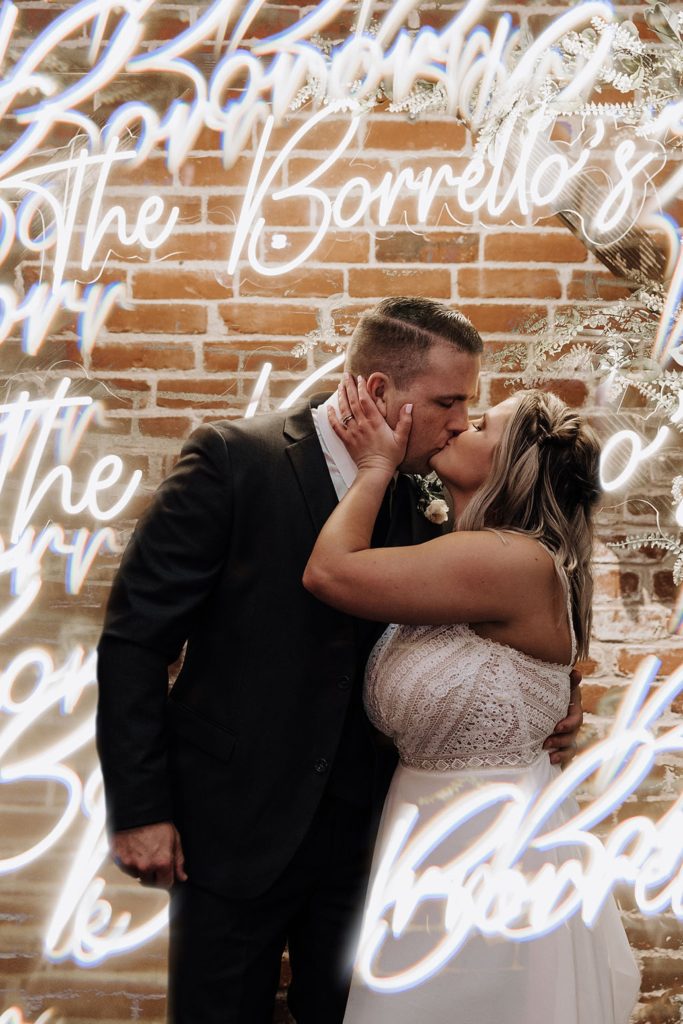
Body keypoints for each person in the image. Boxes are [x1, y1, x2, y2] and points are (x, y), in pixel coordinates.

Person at [96, 297, 583, 1024]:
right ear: (381, 392)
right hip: (230, 826)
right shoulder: (233, 460)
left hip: (371, 837)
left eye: (469, 408)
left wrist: (557, 693)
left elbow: (503, 617)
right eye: (447, 401)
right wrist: (139, 810)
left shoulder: (429, 494)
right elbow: (136, 642)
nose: (457, 421)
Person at [303, 377, 641, 1024]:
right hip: (428, 831)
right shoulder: (485, 556)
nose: (460, 425)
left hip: (486, 847)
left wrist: (374, 465)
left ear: (510, 465)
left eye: (481, 425)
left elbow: (329, 572)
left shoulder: (507, 560)